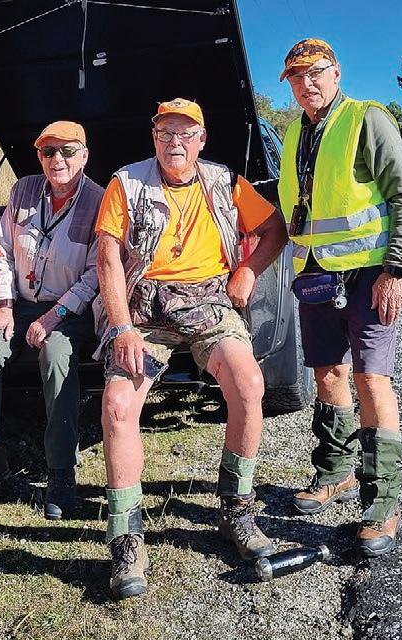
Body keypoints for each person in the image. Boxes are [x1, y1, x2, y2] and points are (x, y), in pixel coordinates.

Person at [94, 98, 288, 599]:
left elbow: (274, 230)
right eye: (165, 133)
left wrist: (247, 271)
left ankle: (236, 509)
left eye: (185, 134)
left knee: (248, 383)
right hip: (144, 310)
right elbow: (108, 261)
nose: (174, 142)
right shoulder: (125, 183)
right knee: (118, 405)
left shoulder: (225, 181)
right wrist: (122, 327)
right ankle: (126, 537)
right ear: (153, 137)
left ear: (201, 139)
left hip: (209, 303)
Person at [277, 39, 402, 557]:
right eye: (296, 77)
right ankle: (335, 471)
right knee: (328, 373)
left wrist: (395, 270)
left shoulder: (367, 119)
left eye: (315, 72)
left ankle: (382, 502)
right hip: (316, 274)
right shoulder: (294, 132)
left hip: (369, 275)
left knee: (371, 377)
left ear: (336, 72)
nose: (306, 83)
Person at [0, 121, 103, 520]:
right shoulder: (22, 191)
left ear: (84, 155)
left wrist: (56, 315)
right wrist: (2, 305)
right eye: (48, 152)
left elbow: (96, 273)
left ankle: (60, 470)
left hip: (71, 312)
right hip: (19, 307)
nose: (58, 160)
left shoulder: (99, 200)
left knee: (57, 356)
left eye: (67, 151)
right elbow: (2, 250)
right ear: (39, 157)